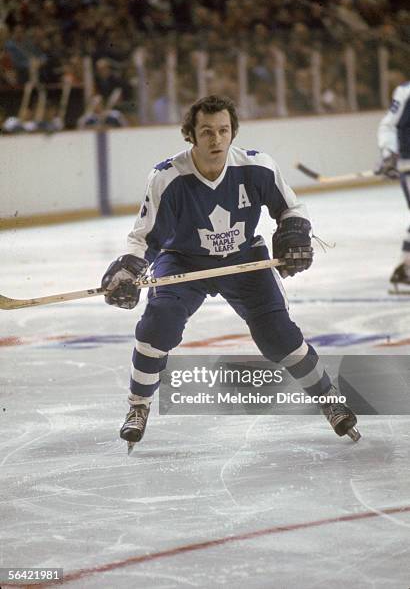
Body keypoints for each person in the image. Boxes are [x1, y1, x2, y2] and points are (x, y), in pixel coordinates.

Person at [101, 95, 360, 449]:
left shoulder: (258, 168)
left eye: (224, 131)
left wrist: (294, 233)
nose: (216, 139)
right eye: (206, 131)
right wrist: (128, 269)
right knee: (157, 325)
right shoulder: (167, 177)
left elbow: (291, 208)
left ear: (233, 132)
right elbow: (143, 238)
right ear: (190, 134)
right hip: (183, 261)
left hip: (244, 261)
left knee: (279, 335)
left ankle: (329, 398)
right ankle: (138, 406)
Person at [377, 80, 410, 291]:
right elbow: (388, 125)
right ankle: (404, 269)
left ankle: (404, 267)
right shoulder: (406, 91)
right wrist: (389, 154)